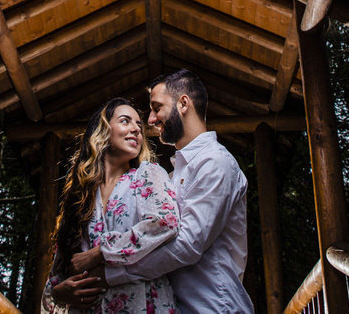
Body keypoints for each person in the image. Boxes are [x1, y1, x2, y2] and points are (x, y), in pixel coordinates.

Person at [71, 70, 255, 314]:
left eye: (157, 108)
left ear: (183, 104)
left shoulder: (215, 162)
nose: (150, 120)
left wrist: (107, 272)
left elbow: (187, 245)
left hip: (214, 306)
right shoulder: (173, 175)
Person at [43, 97, 180, 314]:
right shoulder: (80, 198)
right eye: (125, 121)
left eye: (139, 125)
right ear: (104, 131)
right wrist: (59, 293)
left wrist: (101, 252)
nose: (136, 129)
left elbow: (165, 222)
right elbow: (63, 268)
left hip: (142, 305)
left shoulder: (147, 174)